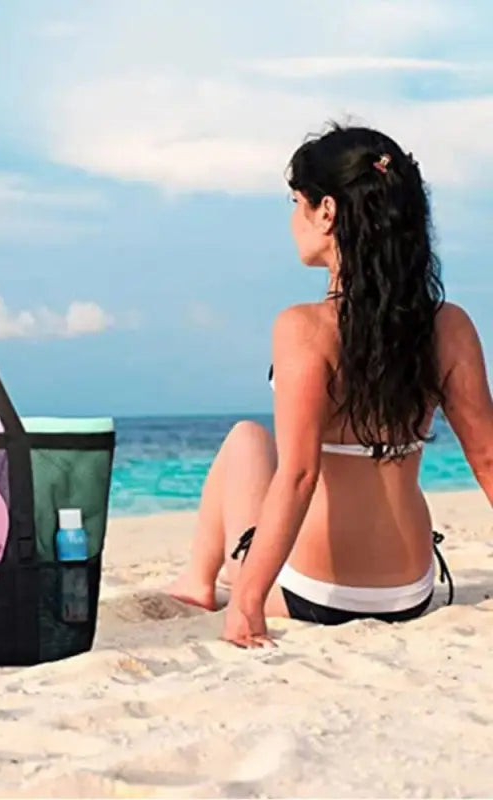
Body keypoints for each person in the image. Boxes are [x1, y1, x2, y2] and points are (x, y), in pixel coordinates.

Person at [169, 123, 493, 648]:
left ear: (327, 210)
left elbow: (299, 474)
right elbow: (488, 460)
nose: (293, 218)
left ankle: (199, 583)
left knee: (246, 441)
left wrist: (249, 601)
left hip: (318, 591)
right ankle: (205, 582)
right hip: (411, 590)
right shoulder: (449, 325)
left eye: (297, 201)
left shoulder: (304, 328)